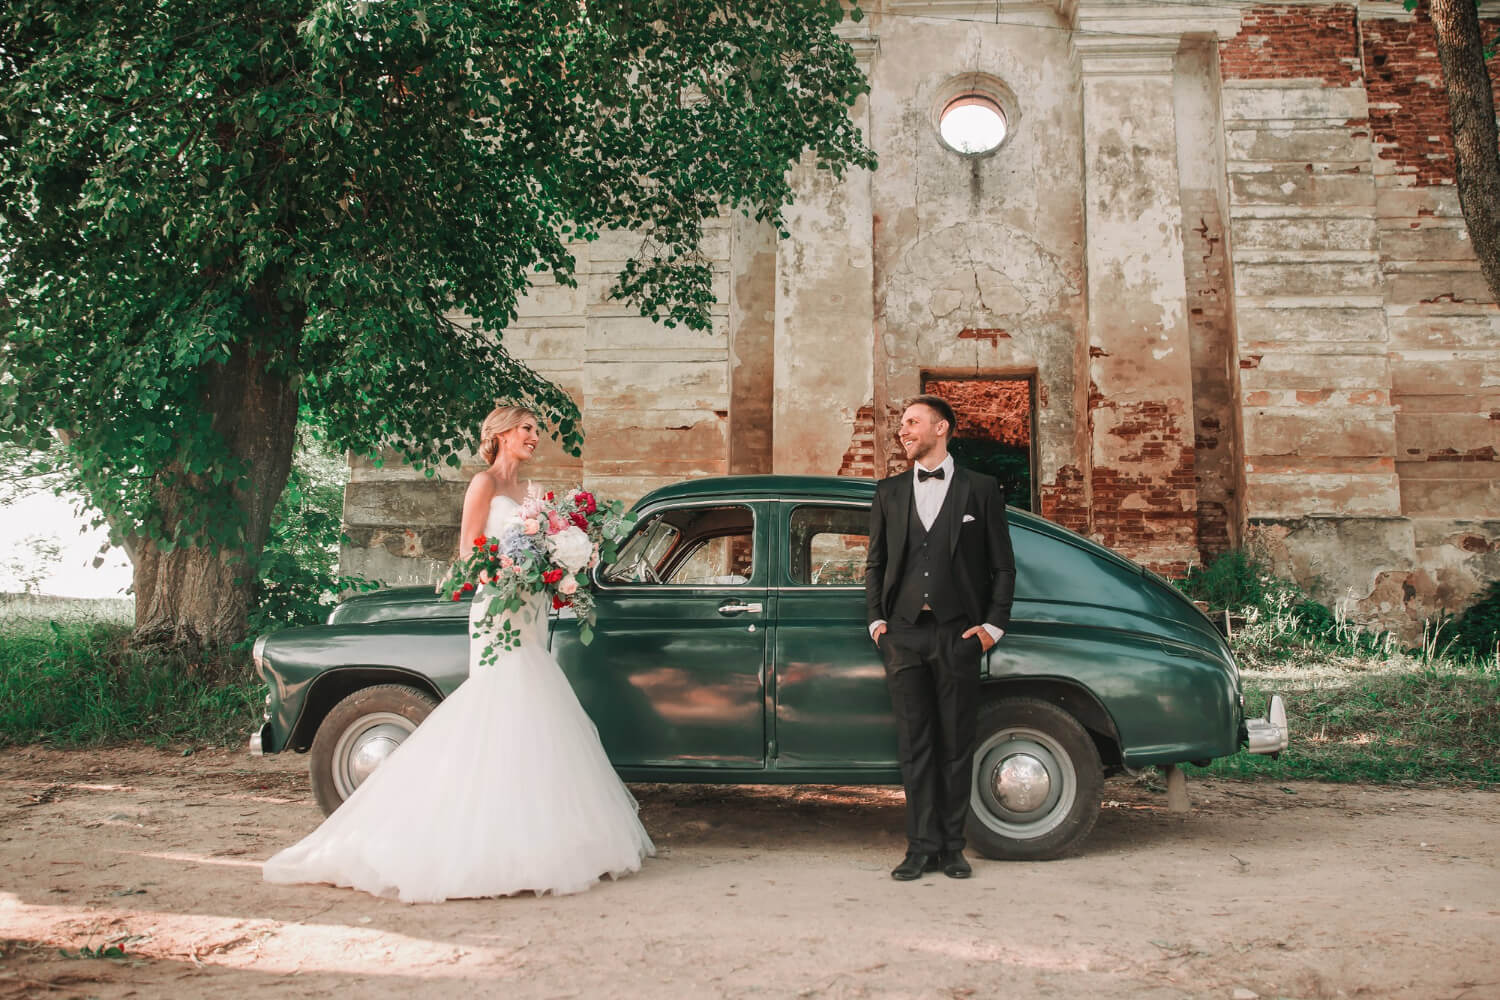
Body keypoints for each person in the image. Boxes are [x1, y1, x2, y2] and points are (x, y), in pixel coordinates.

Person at [263, 404, 654, 902]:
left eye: (536, 430)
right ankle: (473, 838)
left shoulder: (530, 495)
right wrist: (513, 573)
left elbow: (538, 550)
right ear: (502, 434)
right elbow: (469, 555)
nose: (536, 436)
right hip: (497, 610)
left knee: (535, 710)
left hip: (529, 611)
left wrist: (552, 570)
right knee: (500, 702)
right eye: (528, 429)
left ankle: (531, 835)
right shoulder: (484, 485)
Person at [864, 395, 1016, 881]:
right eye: (902, 423)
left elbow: (1002, 566)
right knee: (915, 745)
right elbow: (875, 564)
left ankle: (953, 847)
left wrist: (991, 628)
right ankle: (919, 846)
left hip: (959, 635)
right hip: (904, 635)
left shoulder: (981, 489)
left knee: (955, 745)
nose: (902, 431)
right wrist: (876, 623)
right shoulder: (888, 493)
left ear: (941, 428)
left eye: (911, 422)